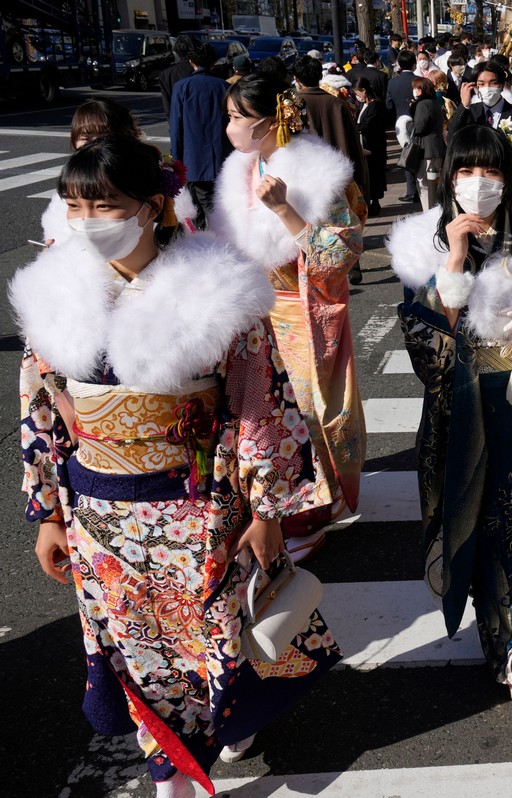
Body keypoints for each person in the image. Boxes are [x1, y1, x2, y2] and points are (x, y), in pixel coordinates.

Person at [16, 135, 341, 798]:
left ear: (153, 206)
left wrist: (270, 514)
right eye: (74, 206)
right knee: (137, 654)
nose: (86, 223)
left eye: (104, 205)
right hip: (100, 521)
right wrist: (49, 513)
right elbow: (42, 411)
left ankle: (217, 727)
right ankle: (173, 777)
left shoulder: (218, 292)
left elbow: (263, 410)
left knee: (205, 649)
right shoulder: (57, 295)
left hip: (197, 514)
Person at [388, 124, 512, 717]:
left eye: (490, 173)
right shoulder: (426, 246)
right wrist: (452, 262)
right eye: (466, 173)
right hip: (463, 415)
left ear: (510, 179)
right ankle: (496, 642)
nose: (478, 185)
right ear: (447, 179)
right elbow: (429, 356)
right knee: (477, 531)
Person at [209, 73, 367, 560]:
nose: (230, 126)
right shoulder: (241, 168)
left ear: (270, 119)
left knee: (304, 411)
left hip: (299, 314)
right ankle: (269, 507)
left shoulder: (319, 174)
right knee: (257, 415)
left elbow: (341, 253)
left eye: (238, 117)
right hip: (253, 309)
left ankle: (310, 511)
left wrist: (285, 212)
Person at [41, 99, 144, 245]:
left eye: (105, 137)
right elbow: (57, 233)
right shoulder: (73, 181)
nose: (95, 145)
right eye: (86, 139)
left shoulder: (143, 177)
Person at [169, 43, 231, 229]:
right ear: (213, 63)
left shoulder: (181, 87)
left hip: (193, 159)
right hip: (223, 155)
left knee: (198, 213)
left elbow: (176, 127)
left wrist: (177, 162)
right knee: (220, 207)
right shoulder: (224, 86)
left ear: (191, 62)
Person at [294, 56, 367, 200]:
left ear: (296, 79)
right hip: (338, 175)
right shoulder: (338, 104)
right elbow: (353, 142)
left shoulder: (292, 107)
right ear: (321, 76)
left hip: (305, 178)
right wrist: (359, 179)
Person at [448, 61, 512, 177]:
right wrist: (464, 106)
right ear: (475, 86)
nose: (487, 88)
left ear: (501, 85)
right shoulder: (470, 112)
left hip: (504, 181)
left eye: (493, 83)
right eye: (481, 84)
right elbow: (452, 139)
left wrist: (505, 168)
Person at [410, 75, 446, 211]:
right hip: (437, 147)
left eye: (416, 88)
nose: (414, 90)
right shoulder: (434, 102)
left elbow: (419, 127)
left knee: (424, 183)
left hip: (427, 149)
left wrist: (409, 125)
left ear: (422, 89)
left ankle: (429, 212)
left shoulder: (422, 104)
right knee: (435, 183)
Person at [387, 49, 419, 202]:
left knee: (406, 154)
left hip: (400, 121)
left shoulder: (393, 83)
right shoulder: (419, 81)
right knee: (418, 154)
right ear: (414, 64)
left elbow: (389, 105)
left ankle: (411, 190)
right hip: (417, 121)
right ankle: (420, 189)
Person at [353, 77, 387, 217]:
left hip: (374, 145)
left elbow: (368, 125)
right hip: (365, 143)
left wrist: (355, 127)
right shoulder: (364, 105)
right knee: (368, 174)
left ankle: (375, 202)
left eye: (357, 93)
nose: (357, 96)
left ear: (364, 91)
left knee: (374, 174)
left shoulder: (376, 105)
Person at [159, 34, 199, 117]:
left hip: (179, 121)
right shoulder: (201, 69)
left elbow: (168, 108)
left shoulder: (166, 74)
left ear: (177, 52)